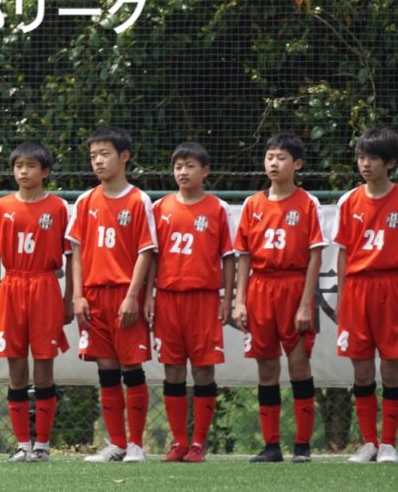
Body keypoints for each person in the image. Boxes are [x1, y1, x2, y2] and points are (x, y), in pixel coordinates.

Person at [232, 133, 326, 464]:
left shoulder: (308, 203)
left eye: (281, 158)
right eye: (270, 157)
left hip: (293, 286)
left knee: (299, 363)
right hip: (260, 287)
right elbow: (244, 256)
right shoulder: (252, 204)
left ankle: (302, 445)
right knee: (266, 365)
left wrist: (305, 303)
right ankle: (271, 445)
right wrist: (239, 300)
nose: (274, 163)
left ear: (296, 164)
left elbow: (315, 256)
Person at [66, 126, 156, 463]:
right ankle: (117, 443)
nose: (98, 161)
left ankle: (136, 445)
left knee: (131, 368)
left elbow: (146, 252)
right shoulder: (85, 201)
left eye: (105, 154)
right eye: (93, 156)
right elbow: (76, 252)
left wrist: (133, 296)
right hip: (93, 296)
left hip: (124, 294)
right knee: (105, 370)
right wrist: (77, 296)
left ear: (124, 157)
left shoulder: (138, 200)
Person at [146, 142, 235, 463]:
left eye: (190, 166)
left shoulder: (217, 208)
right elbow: (152, 257)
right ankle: (179, 442)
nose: (183, 172)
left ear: (205, 171)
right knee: (172, 369)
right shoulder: (160, 208)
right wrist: (149, 295)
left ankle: (198, 442)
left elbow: (228, 257)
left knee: (203, 369)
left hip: (204, 299)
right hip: (168, 298)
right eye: (178, 167)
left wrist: (227, 298)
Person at [0, 141, 72, 463]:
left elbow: (71, 256)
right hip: (13, 285)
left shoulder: (58, 208)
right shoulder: (2, 207)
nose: (23, 171)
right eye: (18, 166)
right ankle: (23, 444)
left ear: (45, 171)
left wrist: (68, 298)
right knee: (16, 367)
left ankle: (43, 445)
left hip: (44, 285)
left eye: (31, 166)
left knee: (45, 365)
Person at [330, 128, 398, 464]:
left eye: (372, 158)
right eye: (361, 157)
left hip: (391, 285)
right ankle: (368, 441)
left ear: (390, 163)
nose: (365, 164)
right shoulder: (349, 201)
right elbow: (343, 253)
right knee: (360, 368)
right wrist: (342, 297)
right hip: (357, 288)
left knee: (392, 365)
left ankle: (388, 443)